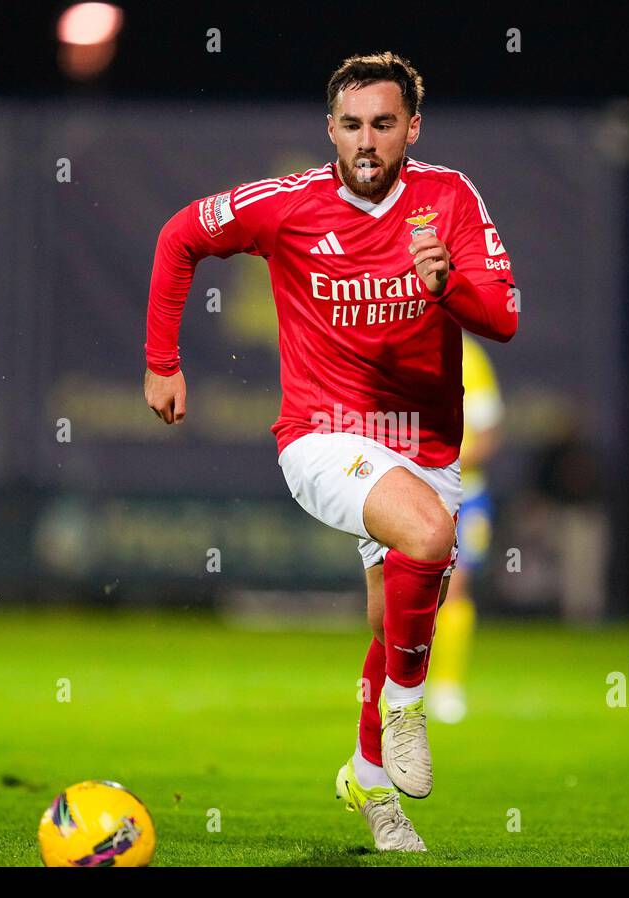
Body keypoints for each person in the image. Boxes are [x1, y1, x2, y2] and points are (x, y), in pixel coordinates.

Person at [143, 52, 518, 851]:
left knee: (394, 624)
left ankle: (368, 782)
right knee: (428, 535)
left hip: (426, 447)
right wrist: (163, 360)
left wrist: (447, 282)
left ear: (412, 128)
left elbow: (502, 316)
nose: (367, 141)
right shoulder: (290, 205)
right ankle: (408, 714)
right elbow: (181, 236)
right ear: (330, 131)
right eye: (351, 125)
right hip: (323, 436)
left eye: (384, 123)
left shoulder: (447, 198)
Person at [429, 332, 504, 724]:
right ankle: (400, 683)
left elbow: (488, 437)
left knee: (453, 588)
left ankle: (447, 685)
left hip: (463, 494)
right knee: (402, 589)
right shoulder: (399, 344)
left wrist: (441, 462)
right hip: (410, 491)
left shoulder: (469, 357)